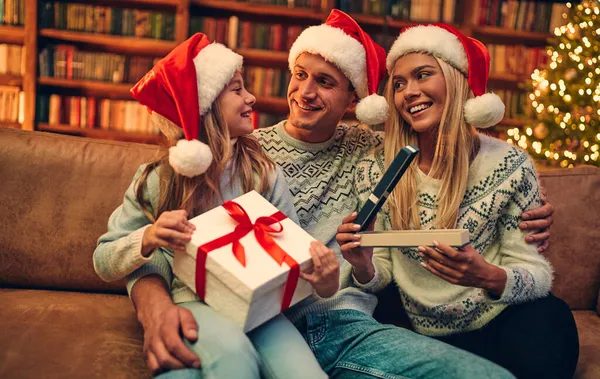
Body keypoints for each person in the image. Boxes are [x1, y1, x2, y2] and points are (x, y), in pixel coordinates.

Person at [126, 10, 554, 378]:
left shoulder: (377, 154)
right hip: (252, 317)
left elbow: (444, 159)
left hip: (343, 324)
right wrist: (156, 309)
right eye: (299, 75)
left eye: (326, 82)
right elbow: (156, 238)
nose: (305, 92)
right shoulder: (244, 155)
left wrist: (529, 211)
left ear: (354, 99)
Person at [336, 23, 579, 379]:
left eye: (423, 76)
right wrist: (363, 265)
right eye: (399, 84)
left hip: (497, 320)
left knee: (549, 324)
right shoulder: (378, 167)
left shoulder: (510, 165)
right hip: (414, 326)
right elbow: (379, 276)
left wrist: (487, 275)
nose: (409, 92)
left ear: (455, 80)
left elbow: (537, 275)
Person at [93, 33, 340, 379]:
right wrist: (148, 237)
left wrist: (324, 279)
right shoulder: (157, 179)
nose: (251, 97)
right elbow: (104, 259)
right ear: (204, 106)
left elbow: (297, 263)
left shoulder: (264, 174)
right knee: (232, 358)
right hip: (195, 304)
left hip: (262, 313)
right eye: (237, 89)